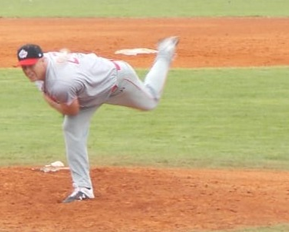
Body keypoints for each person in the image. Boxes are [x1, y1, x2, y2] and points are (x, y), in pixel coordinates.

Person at [17, 36, 179, 203]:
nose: (28, 70)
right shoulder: (46, 68)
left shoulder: (61, 83)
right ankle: (83, 188)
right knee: (71, 128)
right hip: (87, 94)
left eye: (31, 65)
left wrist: (50, 101)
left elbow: (72, 111)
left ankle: (165, 53)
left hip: (117, 82)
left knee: (150, 102)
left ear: (42, 60)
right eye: (24, 67)